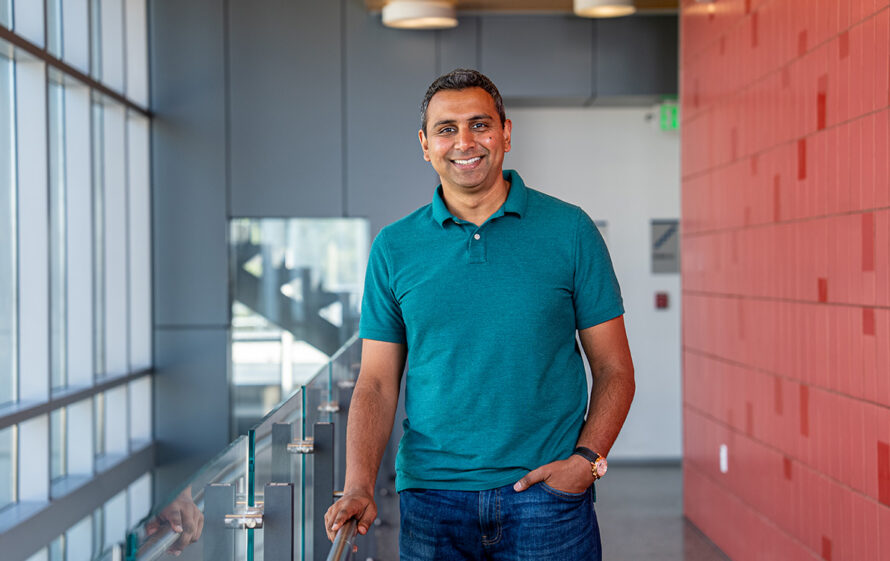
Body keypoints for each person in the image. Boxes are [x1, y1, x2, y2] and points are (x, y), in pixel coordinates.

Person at [324, 68, 634, 561]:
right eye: (446, 129)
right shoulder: (394, 247)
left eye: (479, 124)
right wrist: (358, 485)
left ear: (506, 134)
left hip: (548, 498)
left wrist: (586, 462)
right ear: (425, 145)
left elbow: (614, 368)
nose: (464, 141)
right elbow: (377, 383)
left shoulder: (570, 230)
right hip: (432, 500)